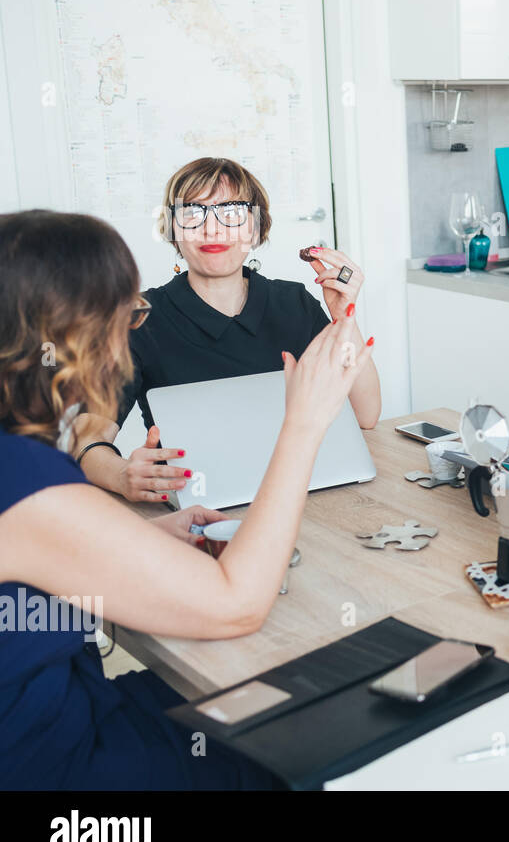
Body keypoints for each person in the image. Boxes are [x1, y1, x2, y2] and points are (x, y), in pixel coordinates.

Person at [0, 209, 374, 788]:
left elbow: (35, 557)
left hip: (62, 713)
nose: (126, 342)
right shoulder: (26, 477)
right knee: (306, 727)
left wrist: (138, 537)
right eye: (123, 319)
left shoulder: (20, 465)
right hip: (62, 766)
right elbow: (239, 605)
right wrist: (303, 423)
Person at [75, 157, 381, 503]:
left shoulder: (293, 301)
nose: (212, 228)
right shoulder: (135, 318)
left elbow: (366, 414)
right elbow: (85, 440)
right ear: (173, 228)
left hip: (307, 490)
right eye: (193, 212)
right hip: (197, 505)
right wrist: (120, 474)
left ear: (255, 227)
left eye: (232, 212)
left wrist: (345, 319)